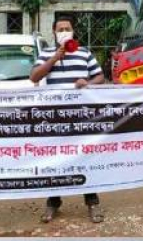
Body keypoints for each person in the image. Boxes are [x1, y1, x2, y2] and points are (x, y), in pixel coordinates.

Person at [30, 16, 106, 224]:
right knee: (57, 159)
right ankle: (53, 202)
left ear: (73, 31)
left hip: (82, 117)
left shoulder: (84, 53)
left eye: (67, 28)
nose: (64, 31)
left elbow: (100, 77)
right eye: (60, 29)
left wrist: (88, 83)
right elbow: (34, 77)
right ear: (54, 33)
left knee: (85, 158)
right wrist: (54, 58)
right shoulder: (46, 53)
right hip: (56, 117)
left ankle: (92, 202)